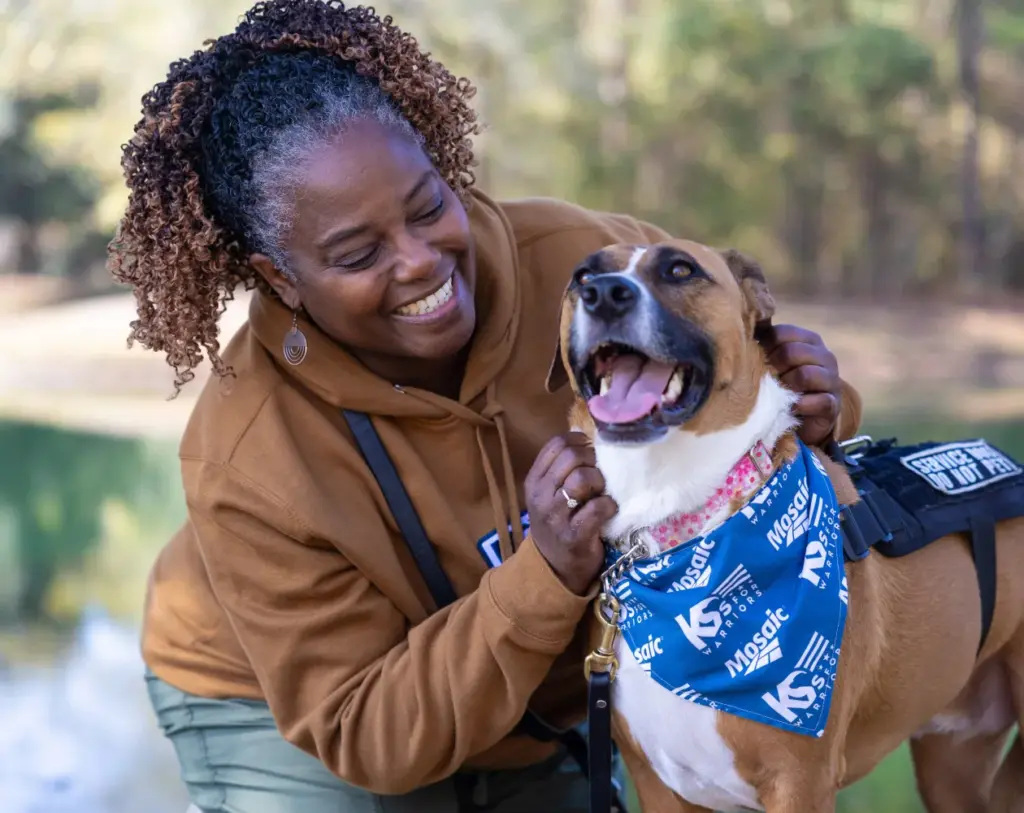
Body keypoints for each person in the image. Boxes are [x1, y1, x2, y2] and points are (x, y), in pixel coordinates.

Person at [109, 1, 863, 811]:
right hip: (285, 704)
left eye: (430, 206)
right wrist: (546, 570)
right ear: (281, 277)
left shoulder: (592, 267)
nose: (421, 262)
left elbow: (742, 388)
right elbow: (369, 730)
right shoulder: (247, 453)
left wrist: (816, 405)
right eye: (358, 254)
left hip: (536, 683)